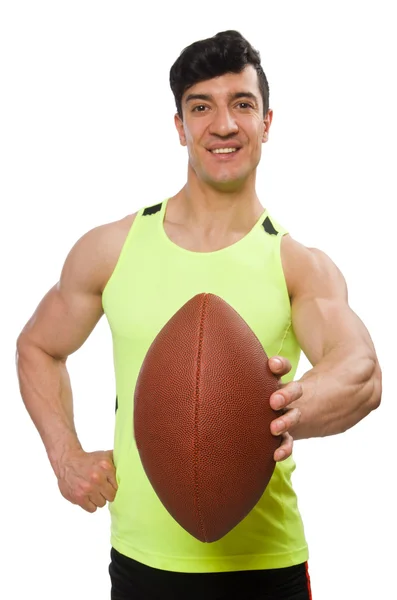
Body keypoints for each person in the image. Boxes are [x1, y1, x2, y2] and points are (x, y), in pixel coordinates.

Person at [16, 30, 382, 600]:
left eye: (242, 104)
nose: (224, 124)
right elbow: (38, 346)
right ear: (180, 127)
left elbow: (360, 368)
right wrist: (64, 454)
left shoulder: (297, 265)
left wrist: (296, 408)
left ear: (266, 122)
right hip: (141, 565)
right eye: (201, 107)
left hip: (265, 569)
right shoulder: (111, 249)